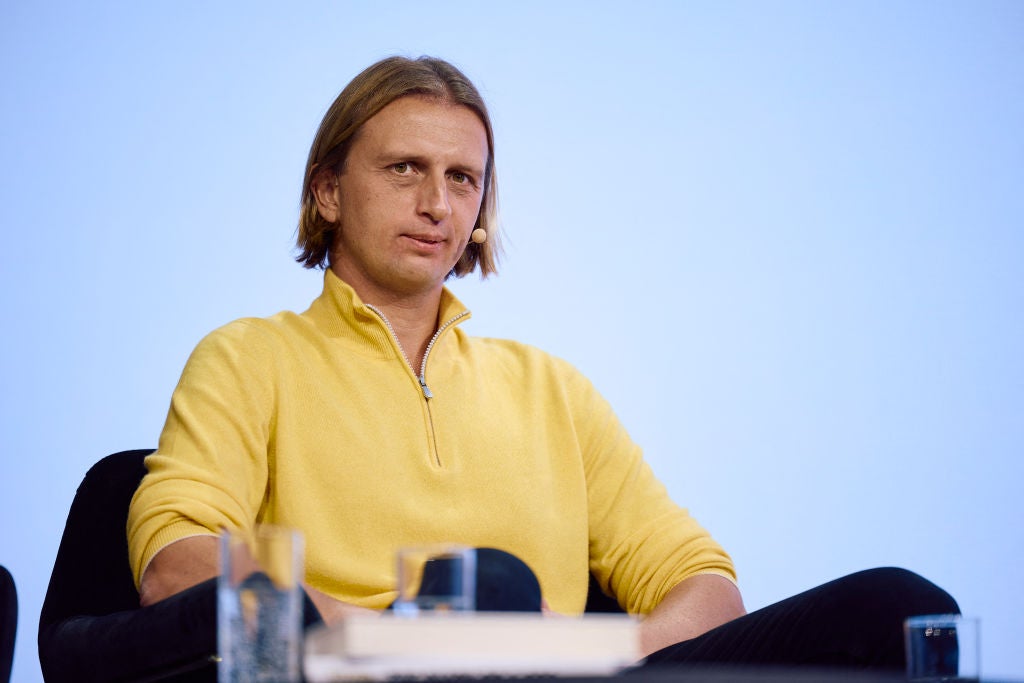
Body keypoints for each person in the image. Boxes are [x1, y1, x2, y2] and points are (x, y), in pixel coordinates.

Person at [126, 55, 956, 672]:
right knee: (484, 590)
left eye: (462, 179)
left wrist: (594, 645)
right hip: (365, 668)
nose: (435, 204)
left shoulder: (550, 386)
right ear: (329, 192)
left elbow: (702, 581)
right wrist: (385, 632)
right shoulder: (250, 356)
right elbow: (177, 560)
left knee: (899, 605)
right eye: (405, 168)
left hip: (569, 672)